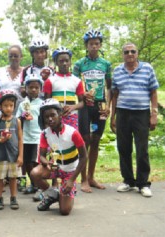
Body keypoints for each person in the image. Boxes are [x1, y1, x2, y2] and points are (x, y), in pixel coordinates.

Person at [110, 43, 159, 198]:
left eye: (133, 51)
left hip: (141, 114)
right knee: (123, 148)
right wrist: (113, 116)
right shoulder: (117, 71)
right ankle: (128, 181)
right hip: (123, 113)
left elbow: (153, 92)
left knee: (142, 149)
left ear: (137, 53)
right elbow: (115, 95)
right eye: (126, 52)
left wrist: (154, 114)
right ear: (122, 54)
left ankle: (143, 183)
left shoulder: (147, 69)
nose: (130, 54)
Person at [30, 98, 87, 215]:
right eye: (46, 117)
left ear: (60, 114)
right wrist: (46, 162)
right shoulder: (45, 134)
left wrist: (71, 180)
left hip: (70, 171)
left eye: (53, 115)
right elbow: (41, 156)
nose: (50, 119)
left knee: (64, 210)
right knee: (35, 173)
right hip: (56, 168)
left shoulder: (73, 133)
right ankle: (53, 194)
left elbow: (84, 157)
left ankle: (65, 193)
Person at [73, 30, 112, 193]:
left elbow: (110, 87)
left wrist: (108, 105)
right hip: (85, 107)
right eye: (91, 44)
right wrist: (83, 95)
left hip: (100, 106)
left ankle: (91, 177)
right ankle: (83, 180)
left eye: (97, 43)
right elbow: (74, 85)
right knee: (85, 141)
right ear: (86, 46)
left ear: (100, 45)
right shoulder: (79, 64)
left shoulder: (106, 64)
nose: (94, 46)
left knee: (96, 140)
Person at [0, 90, 23, 210]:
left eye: (11, 106)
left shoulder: (17, 121)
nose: (9, 108)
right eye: (5, 106)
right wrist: (0, 140)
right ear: (0, 106)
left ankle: (13, 198)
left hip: (13, 154)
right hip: (0, 155)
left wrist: (20, 156)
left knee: (13, 177)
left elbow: (20, 139)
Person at [43, 46, 85, 130]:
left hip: (72, 116)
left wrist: (73, 107)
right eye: (61, 61)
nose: (64, 63)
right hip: (55, 118)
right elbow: (46, 103)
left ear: (70, 62)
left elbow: (82, 102)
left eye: (67, 60)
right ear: (56, 63)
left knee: (71, 141)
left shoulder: (77, 81)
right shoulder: (50, 81)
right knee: (55, 141)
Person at [15, 74, 44, 196]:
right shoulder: (22, 104)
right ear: (25, 89)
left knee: (35, 162)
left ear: (40, 89)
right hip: (25, 138)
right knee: (26, 162)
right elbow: (17, 119)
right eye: (30, 87)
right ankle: (32, 184)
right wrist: (22, 117)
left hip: (37, 137)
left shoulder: (42, 103)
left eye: (36, 87)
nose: (33, 90)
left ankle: (39, 185)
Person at [0, 45, 24, 113]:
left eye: (16, 56)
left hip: (19, 112)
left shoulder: (26, 72)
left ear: (21, 57)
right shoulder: (0, 71)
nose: (13, 58)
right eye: (10, 56)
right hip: (2, 113)